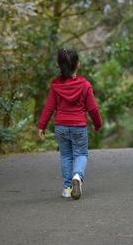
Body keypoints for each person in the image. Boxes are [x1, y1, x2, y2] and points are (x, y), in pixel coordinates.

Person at [37, 48, 103, 200]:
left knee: (66, 156)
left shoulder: (55, 85)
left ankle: (67, 188)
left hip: (60, 126)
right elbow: (93, 108)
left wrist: (42, 125)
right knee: (81, 154)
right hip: (79, 125)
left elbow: (49, 107)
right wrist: (98, 124)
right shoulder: (85, 85)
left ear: (59, 65)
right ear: (77, 64)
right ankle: (78, 177)